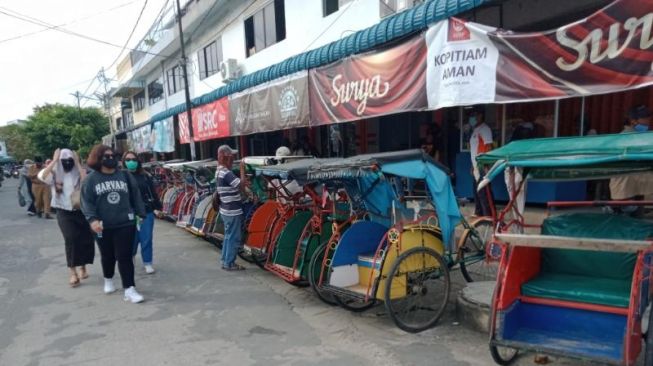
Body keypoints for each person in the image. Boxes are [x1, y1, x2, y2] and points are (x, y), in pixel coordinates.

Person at [81, 144, 147, 303]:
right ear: (98, 159)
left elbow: (135, 195)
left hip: (125, 223)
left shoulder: (124, 176)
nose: (111, 159)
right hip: (102, 225)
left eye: (113, 156)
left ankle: (129, 289)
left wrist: (141, 213)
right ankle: (108, 279)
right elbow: (86, 202)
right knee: (108, 255)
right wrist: (92, 219)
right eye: (106, 157)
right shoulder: (91, 179)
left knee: (124, 256)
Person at [39, 148, 95, 287]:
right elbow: (43, 177)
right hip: (63, 210)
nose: (67, 163)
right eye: (65, 161)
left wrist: (77, 162)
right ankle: (73, 273)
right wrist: (54, 161)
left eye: (70, 160)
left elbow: (86, 181)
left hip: (81, 209)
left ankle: (83, 267)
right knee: (70, 239)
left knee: (85, 239)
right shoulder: (54, 171)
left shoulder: (78, 170)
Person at [122, 151, 162, 274]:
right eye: (128, 160)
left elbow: (152, 193)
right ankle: (131, 257)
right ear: (124, 161)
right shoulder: (120, 176)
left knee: (146, 238)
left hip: (146, 211)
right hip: (127, 213)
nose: (131, 162)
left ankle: (147, 262)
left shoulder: (145, 176)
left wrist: (157, 207)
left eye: (133, 159)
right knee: (131, 239)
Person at [609, 105, 652, 215]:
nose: (648, 121)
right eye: (645, 118)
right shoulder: (624, 137)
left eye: (648, 118)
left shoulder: (643, 137)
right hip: (626, 187)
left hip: (638, 185)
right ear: (633, 121)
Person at [215, 145, 247, 271]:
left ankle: (225, 260)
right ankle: (230, 263)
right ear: (226, 157)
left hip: (225, 209)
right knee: (234, 237)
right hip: (232, 210)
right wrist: (242, 170)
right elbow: (241, 184)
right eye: (231, 156)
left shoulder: (219, 171)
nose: (233, 159)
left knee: (228, 236)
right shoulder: (226, 172)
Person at [468, 106, 494, 217]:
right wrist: (473, 166)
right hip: (476, 166)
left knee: (484, 192)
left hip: (482, 165)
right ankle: (479, 213)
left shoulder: (485, 129)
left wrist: (486, 164)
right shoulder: (475, 130)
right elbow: (474, 150)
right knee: (477, 191)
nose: (472, 118)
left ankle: (487, 215)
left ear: (480, 115)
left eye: (474, 115)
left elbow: (488, 147)